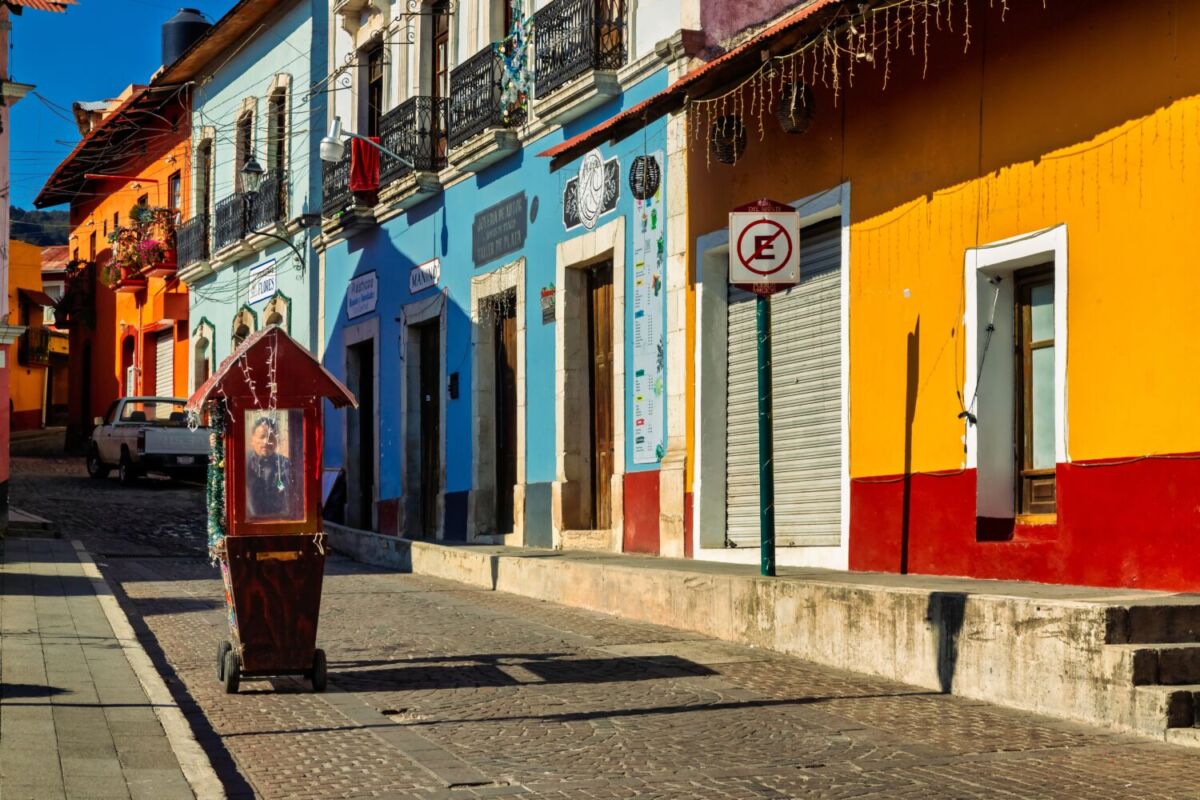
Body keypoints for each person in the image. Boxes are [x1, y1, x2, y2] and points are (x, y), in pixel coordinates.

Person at [246, 416, 298, 520]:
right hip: (249, 522)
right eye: (262, 437)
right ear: (252, 439)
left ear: (276, 441)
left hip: (278, 520)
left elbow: (291, 495)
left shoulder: (284, 464)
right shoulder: (244, 462)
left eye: (271, 438)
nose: (266, 442)